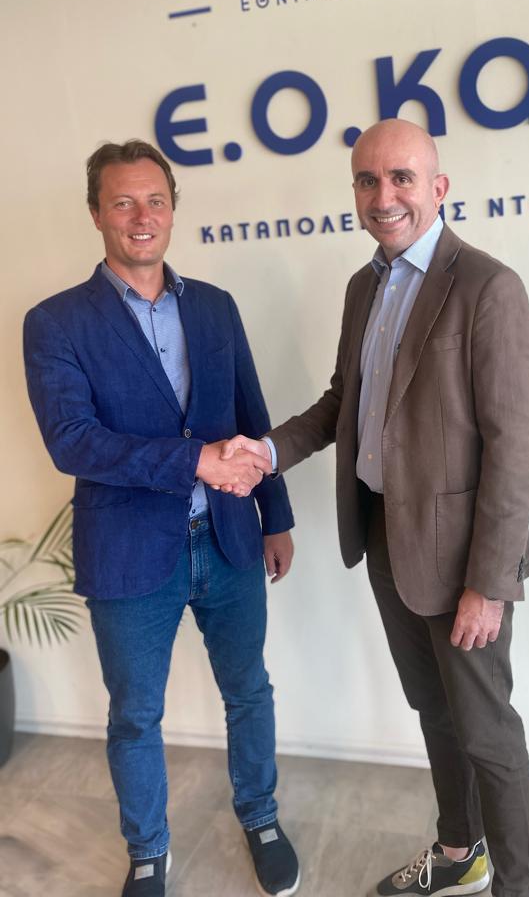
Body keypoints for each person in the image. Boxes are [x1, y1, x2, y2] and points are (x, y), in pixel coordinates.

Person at [224, 118, 529, 897]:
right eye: (368, 180)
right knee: (434, 709)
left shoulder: (488, 287)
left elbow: (514, 448)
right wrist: (266, 451)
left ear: (439, 187)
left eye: (402, 177)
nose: (384, 195)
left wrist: (488, 582)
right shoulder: (364, 287)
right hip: (384, 538)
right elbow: (344, 403)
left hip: (463, 560)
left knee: (489, 735)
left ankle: (519, 889)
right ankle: (460, 853)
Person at [23, 140, 297, 897]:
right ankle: (148, 852)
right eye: (123, 202)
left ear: (173, 209)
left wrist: (274, 516)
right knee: (135, 716)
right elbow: (72, 441)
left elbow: (250, 414)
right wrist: (193, 462)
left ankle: (261, 816)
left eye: (155, 201)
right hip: (129, 553)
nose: (141, 217)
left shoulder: (213, 306)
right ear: (96, 213)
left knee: (249, 691)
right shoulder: (54, 322)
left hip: (230, 540)